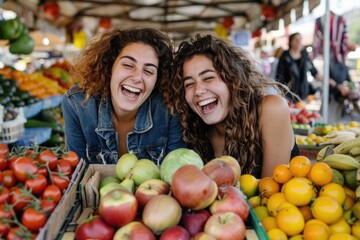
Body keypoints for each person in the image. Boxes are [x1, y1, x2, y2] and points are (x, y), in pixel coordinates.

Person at [167, 34, 299, 178]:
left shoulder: (270, 109)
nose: (198, 91)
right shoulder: (193, 128)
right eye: (189, 84)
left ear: (233, 80)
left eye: (209, 78)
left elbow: (270, 191)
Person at [62, 27, 186, 165]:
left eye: (149, 71)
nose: (137, 77)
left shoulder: (170, 109)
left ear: (157, 80)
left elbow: (177, 174)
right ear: (110, 67)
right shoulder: (78, 104)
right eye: (128, 65)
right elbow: (77, 175)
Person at [314, 12, 357, 124]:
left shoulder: (342, 61)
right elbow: (325, 78)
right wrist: (339, 87)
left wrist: (350, 87)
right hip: (332, 96)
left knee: (335, 121)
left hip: (339, 98)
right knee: (328, 120)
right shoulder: (331, 60)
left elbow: (347, 78)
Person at [275, 32, 322, 103]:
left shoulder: (304, 55)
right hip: (289, 95)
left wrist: (328, 81)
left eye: (300, 39)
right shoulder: (285, 56)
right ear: (290, 42)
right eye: (296, 39)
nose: (298, 41)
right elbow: (279, 77)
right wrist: (281, 93)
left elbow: (313, 71)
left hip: (303, 94)